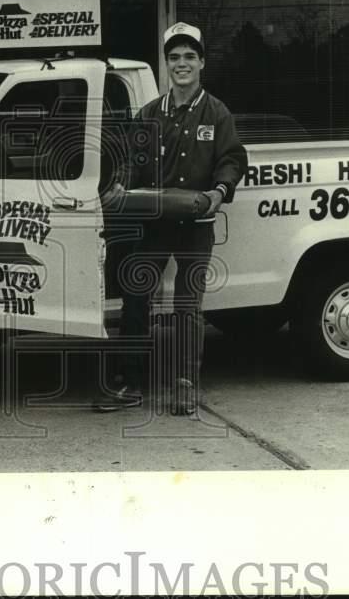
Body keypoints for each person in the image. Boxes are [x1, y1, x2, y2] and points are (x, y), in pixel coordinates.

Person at [94, 21, 248, 415]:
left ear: (201, 64)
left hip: (196, 227)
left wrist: (218, 193)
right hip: (155, 225)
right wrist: (121, 189)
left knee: (186, 305)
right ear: (166, 65)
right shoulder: (149, 114)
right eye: (175, 58)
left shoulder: (217, 114)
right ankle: (130, 380)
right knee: (135, 297)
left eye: (189, 57)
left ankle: (185, 384)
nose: (182, 64)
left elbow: (232, 159)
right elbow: (131, 163)